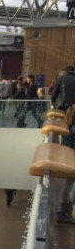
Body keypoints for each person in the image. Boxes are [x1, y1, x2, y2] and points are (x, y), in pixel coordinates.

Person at [51, 65, 75, 222]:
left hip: (66, 111)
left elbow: (54, 95)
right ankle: (66, 209)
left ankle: (65, 209)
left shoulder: (62, 79)